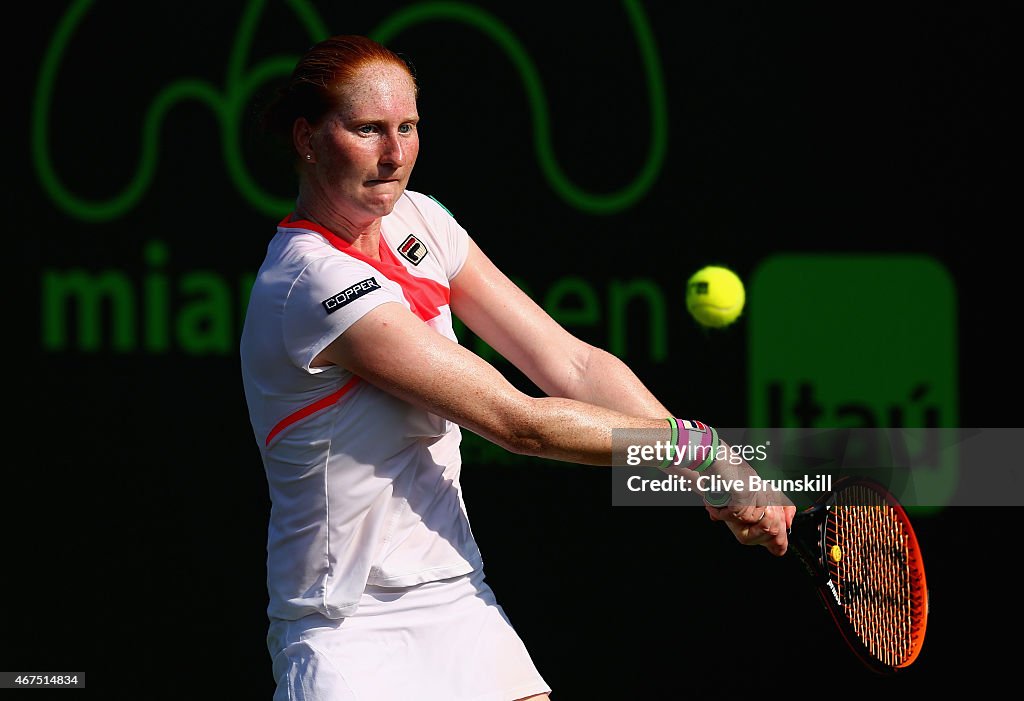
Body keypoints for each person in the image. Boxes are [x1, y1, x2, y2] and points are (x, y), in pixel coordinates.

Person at [240, 34, 795, 701]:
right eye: (368, 130)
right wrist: (697, 451)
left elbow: (569, 360)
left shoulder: (423, 221)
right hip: (344, 628)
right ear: (307, 138)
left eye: (408, 128)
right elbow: (518, 422)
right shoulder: (309, 284)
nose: (394, 155)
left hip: (456, 598)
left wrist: (708, 470)